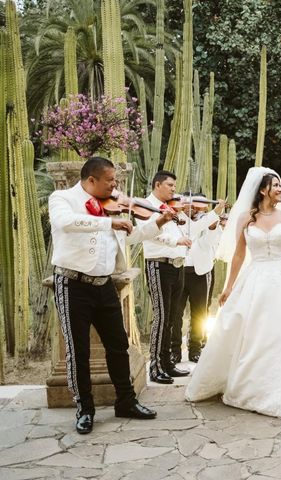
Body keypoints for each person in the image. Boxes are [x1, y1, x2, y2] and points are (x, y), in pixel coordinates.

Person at [185, 168, 281, 419]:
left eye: (280, 185)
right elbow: (239, 254)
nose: (280, 190)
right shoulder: (245, 217)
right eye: (276, 186)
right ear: (263, 190)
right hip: (255, 278)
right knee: (253, 329)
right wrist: (229, 286)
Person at [49, 156, 175, 434]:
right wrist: (109, 223)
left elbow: (130, 236)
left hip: (104, 285)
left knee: (118, 345)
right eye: (110, 181)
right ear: (91, 180)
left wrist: (160, 222)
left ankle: (126, 401)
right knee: (77, 351)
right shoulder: (62, 198)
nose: (115, 186)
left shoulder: (114, 207)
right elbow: (65, 222)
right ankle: (85, 409)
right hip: (72, 285)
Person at [137, 171, 217, 384]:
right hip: (158, 264)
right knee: (161, 316)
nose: (174, 189)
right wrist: (175, 243)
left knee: (172, 316)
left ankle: (168, 364)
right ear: (157, 184)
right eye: (170, 185)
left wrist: (209, 215)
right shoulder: (147, 206)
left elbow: (189, 232)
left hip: (177, 266)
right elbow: (149, 233)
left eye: (175, 185)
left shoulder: (174, 208)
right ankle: (155, 366)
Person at [174, 196, 226, 363]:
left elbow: (211, 243)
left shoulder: (208, 220)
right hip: (179, 270)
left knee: (200, 313)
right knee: (176, 313)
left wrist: (211, 227)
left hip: (201, 271)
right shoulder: (177, 219)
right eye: (190, 205)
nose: (193, 209)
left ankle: (195, 348)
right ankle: (174, 350)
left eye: (197, 207)